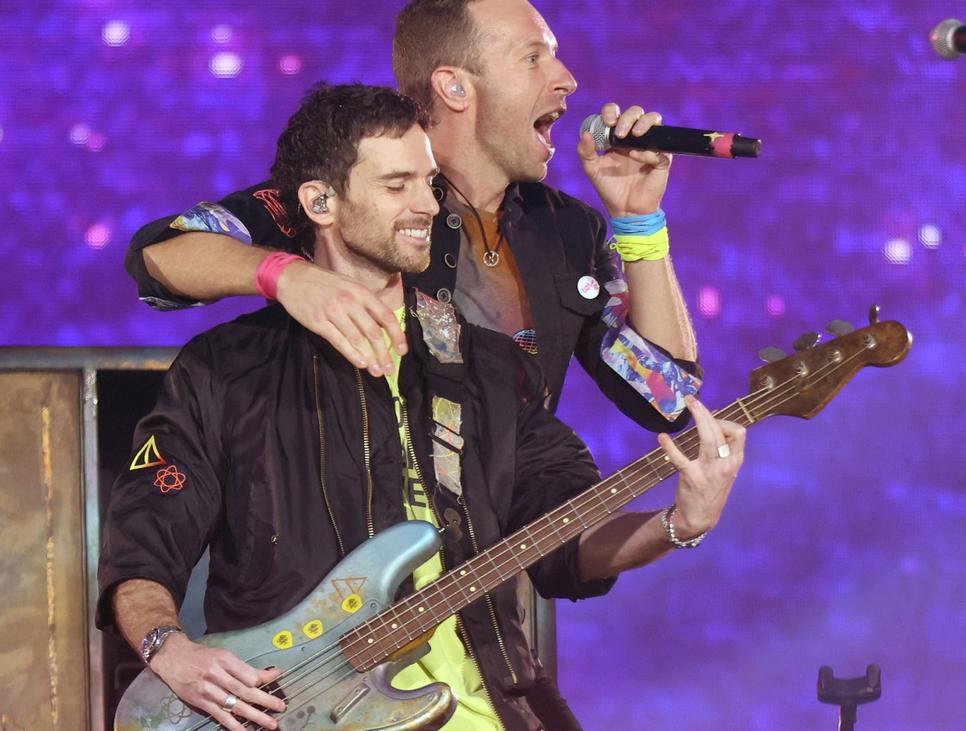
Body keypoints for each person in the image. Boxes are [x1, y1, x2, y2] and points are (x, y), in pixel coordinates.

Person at [98, 83, 745, 731]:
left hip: (495, 708)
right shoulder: (224, 370)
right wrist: (168, 649)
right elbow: (143, 546)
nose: (427, 204)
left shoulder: (491, 367)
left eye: (429, 183)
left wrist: (676, 524)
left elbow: (566, 541)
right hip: (305, 712)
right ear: (320, 203)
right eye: (396, 185)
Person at [125, 0, 700, 434]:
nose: (566, 78)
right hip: (367, 542)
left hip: (511, 547)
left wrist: (639, 220)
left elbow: (668, 401)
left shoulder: (569, 229)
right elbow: (161, 259)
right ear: (455, 87)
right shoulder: (356, 196)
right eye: (533, 58)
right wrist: (290, 277)